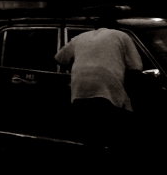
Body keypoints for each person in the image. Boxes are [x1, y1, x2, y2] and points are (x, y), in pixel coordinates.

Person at [54, 21, 142, 153]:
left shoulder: (80, 37)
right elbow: (136, 68)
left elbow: (59, 58)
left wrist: (77, 66)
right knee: (114, 135)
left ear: (94, 27)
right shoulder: (122, 35)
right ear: (115, 25)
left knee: (90, 137)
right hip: (108, 92)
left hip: (80, 91)